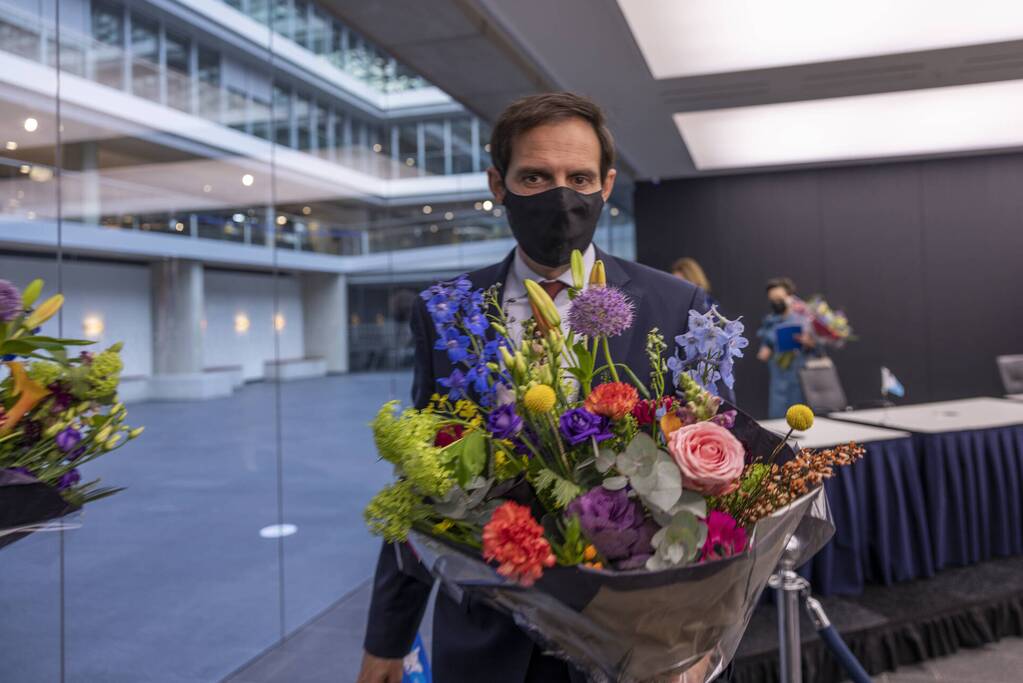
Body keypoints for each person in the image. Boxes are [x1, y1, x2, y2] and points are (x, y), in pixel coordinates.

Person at [357, 92, 720, 683]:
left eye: (578, 177)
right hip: (486, 639)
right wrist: (384, 643)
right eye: (535, 177)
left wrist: (697, 639)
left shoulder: (674, 307)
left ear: (606, 185)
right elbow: (424, 481)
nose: (561, 195)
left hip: (636, 646)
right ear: (497, 184)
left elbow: (718, 487)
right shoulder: (447, 313)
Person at [756, 277, 819, 418]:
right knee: (778, 419)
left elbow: (818, 350)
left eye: (779, 298)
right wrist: (767, 347)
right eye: (772, 299)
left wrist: (809, 343)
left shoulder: (805, 320)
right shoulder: (770, 322)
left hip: (800, 380)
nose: (776, 302)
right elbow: (764, 352)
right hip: (778, 381)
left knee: (801, 419)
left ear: (790, 297)